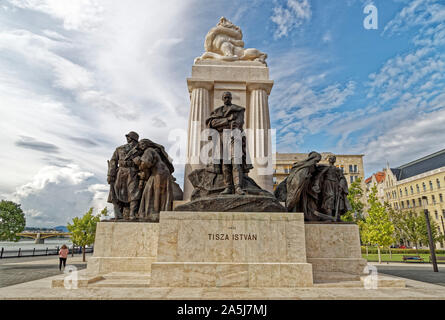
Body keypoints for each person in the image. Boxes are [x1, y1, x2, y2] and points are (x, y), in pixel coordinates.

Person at [205, 91, 253, 195]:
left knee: (236, 162)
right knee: (225, 164)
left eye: (228, 97)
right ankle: (228, 187)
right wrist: (228, 120)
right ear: (223, 99)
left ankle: (238, 187)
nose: (227, 99)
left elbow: (239, 123)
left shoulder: (238, 110)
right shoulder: (217, 111)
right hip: (222, 138)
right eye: (225, 97)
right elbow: (213, 123)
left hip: (234, 136)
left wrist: (223, 123)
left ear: (231, 98)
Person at [133, 139, 174, 221]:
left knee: (156, 192)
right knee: (149, 190)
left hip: (159, 173)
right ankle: (150, 212)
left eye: (142, 144)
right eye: (140, 144)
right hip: (159, 172)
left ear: (146, 144)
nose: (140, 146)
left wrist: (138, 162)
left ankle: (155, 213)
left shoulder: (148, 151)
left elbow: (146, 164)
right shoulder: (151, 151)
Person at [107, 131, 141, 220]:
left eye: (128, 137)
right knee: (118, 192)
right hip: (121, 172)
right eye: (127, 137)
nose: (127, 138)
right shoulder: (119, 149)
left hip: (133, 171)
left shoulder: (139, 150)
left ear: (132, 138)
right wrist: (110, 174)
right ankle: (119, 214)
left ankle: (132, 214)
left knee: (134, 192)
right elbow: (113, 161)